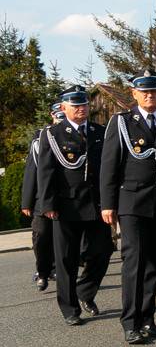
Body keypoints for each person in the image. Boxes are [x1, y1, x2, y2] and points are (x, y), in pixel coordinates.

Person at [100, 70, 156, 344]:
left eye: (154, 91)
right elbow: (109, 166)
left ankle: (148, 318)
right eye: (144, 91)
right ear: (134, 94)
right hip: (131, 202)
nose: (150, 95)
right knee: (133, 262)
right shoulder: (121, 123)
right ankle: (130, 322)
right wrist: (107, 203)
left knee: (153, 264)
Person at [38, 86, 113, 326]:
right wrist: (47, 203)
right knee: (66, 259)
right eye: (76, 105)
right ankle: (70, 308)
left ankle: (85, 292)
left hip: (96, 204)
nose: (82, 109)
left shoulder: (100, 132)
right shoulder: (52, 134)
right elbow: (46, 171)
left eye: (84, 105)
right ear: (64, 108)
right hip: (66, 205)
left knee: (103, 251)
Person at [21, 103, 63, 291]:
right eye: (58, 115)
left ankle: (56, 270)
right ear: (52, 115)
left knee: (60, 238)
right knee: (41, 236)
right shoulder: (40, 139)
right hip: (40, 199)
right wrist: (27, 201)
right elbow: (32, 171)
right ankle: (42, 272)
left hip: (64, 199)